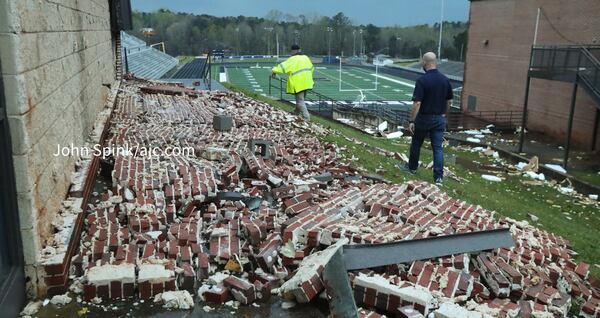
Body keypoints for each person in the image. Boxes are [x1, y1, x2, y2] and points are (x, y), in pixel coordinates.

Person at [405, 52, 453, 185]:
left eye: (422, 62)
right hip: (439, 118)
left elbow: (417, 103)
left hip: (424, 118)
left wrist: (412, 120)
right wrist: (445, 113)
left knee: (416, 143)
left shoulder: (422, 80)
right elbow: (449, 101)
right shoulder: (445, 79)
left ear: (425, 63)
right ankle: (438, 178)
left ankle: (412, 168)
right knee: (438, 148)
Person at [271, 44, 314, 121]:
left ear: (294, 51)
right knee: (301, 99)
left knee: (300, 100)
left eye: (291, 51)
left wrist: (274, 71)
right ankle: (296, 112)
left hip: (299, 82)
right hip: (307, 81)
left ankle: (306, 117)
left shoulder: (293, 59)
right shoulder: (306, 58)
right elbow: (311, 68)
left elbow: (282, 67)